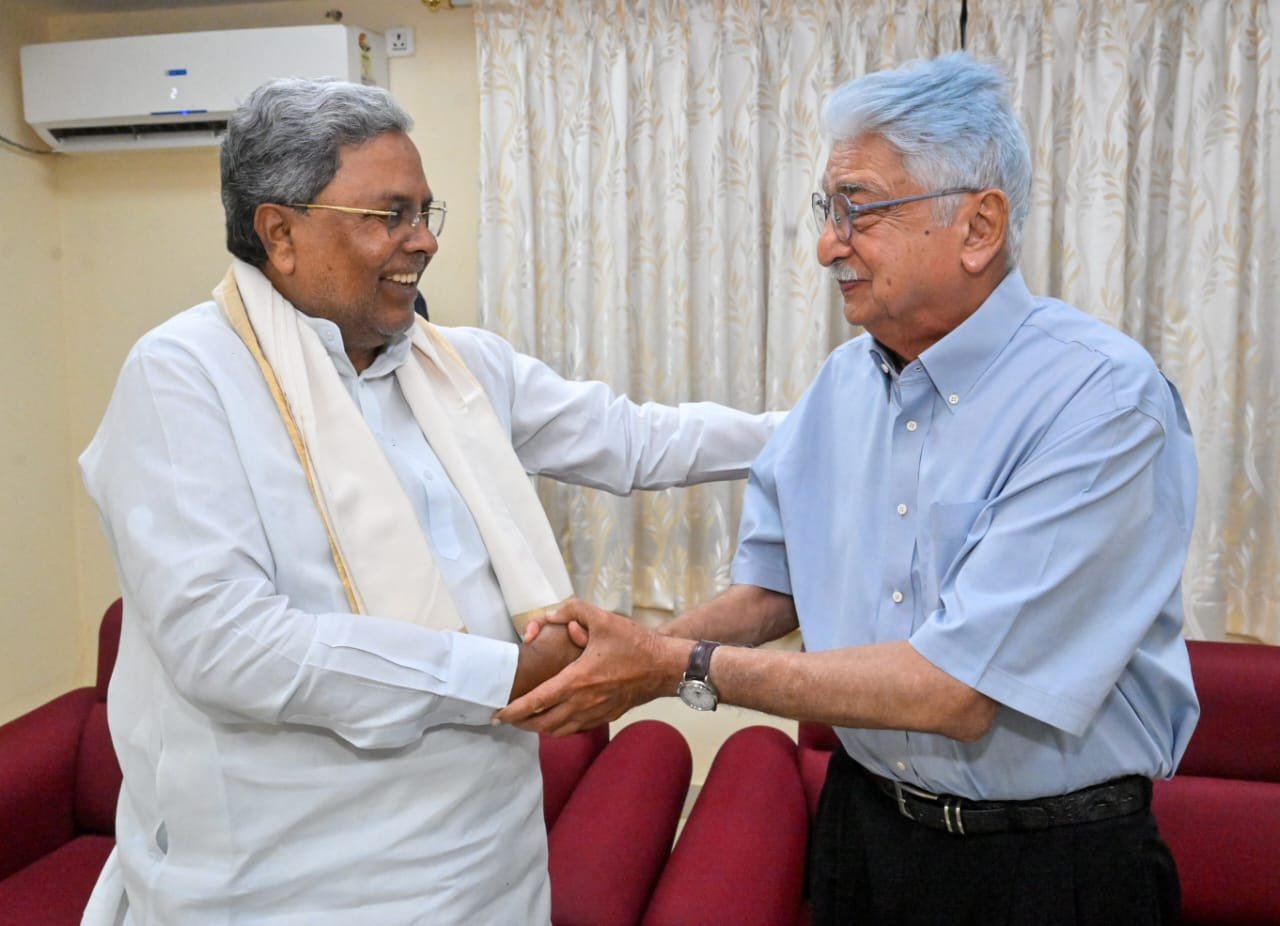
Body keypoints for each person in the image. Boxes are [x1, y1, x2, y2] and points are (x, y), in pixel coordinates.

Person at [502, 52, 1198, 924]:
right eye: (828, 211)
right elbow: (773, 588)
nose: (829, 244)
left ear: (979, 227)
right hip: (864, 833)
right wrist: (630, 652)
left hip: (1049, 865)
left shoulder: (1100, 400)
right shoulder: (841, 386)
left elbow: (957, 690)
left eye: (859, 210)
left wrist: (672, 665)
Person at [79, 77, 779, 924]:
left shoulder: (458, 364)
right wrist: (505, 671)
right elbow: (229, 647)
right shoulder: (186, 375)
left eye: (426, 212)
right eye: (391, 216)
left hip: (488, 861)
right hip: (283, 881)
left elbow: (638, 440)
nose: (424, 242)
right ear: (281, 232)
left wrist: (832, 421)